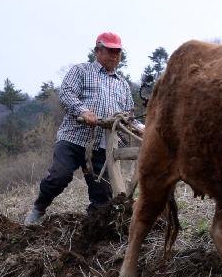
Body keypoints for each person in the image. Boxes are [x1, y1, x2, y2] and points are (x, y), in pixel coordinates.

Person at [24, 32, 142, 225]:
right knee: (59, 177)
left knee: (103, 196)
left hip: (102, 146)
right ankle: (38, 209)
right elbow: (67, 93)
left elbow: (127, 116)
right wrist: (84, 111)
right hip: (73, 139)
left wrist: (139, 128)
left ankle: (91, 233)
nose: (114, 55)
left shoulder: (123, 85)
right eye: (110, 50)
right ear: (97, 51)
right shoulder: (81, 71)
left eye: (118, 52)